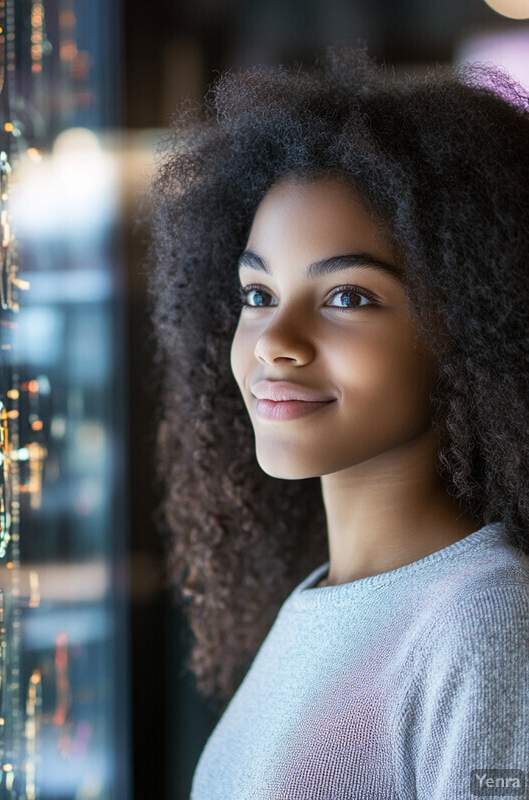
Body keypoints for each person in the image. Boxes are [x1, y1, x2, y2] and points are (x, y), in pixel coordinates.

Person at [142, 45, 529, 799]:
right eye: (258, 294)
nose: (275, 343)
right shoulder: (321, 597)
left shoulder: (485, 620)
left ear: (473, 329)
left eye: (348, 297)